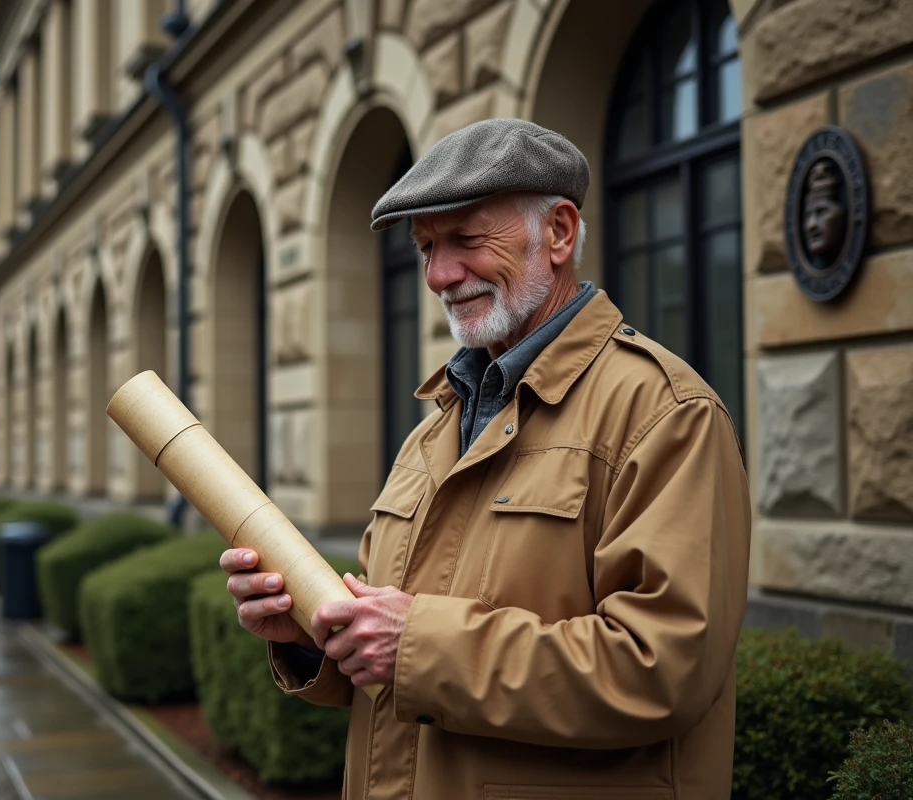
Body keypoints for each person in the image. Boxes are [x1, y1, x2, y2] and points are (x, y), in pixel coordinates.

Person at [221, 119, 751, 799]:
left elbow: (662, 670)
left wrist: (416, 645)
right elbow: (389, 663)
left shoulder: (664, 414)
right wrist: (312, 636)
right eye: (426, 248)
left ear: (559, 233)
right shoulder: (435, 428)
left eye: (467, 239)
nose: (440, 274)